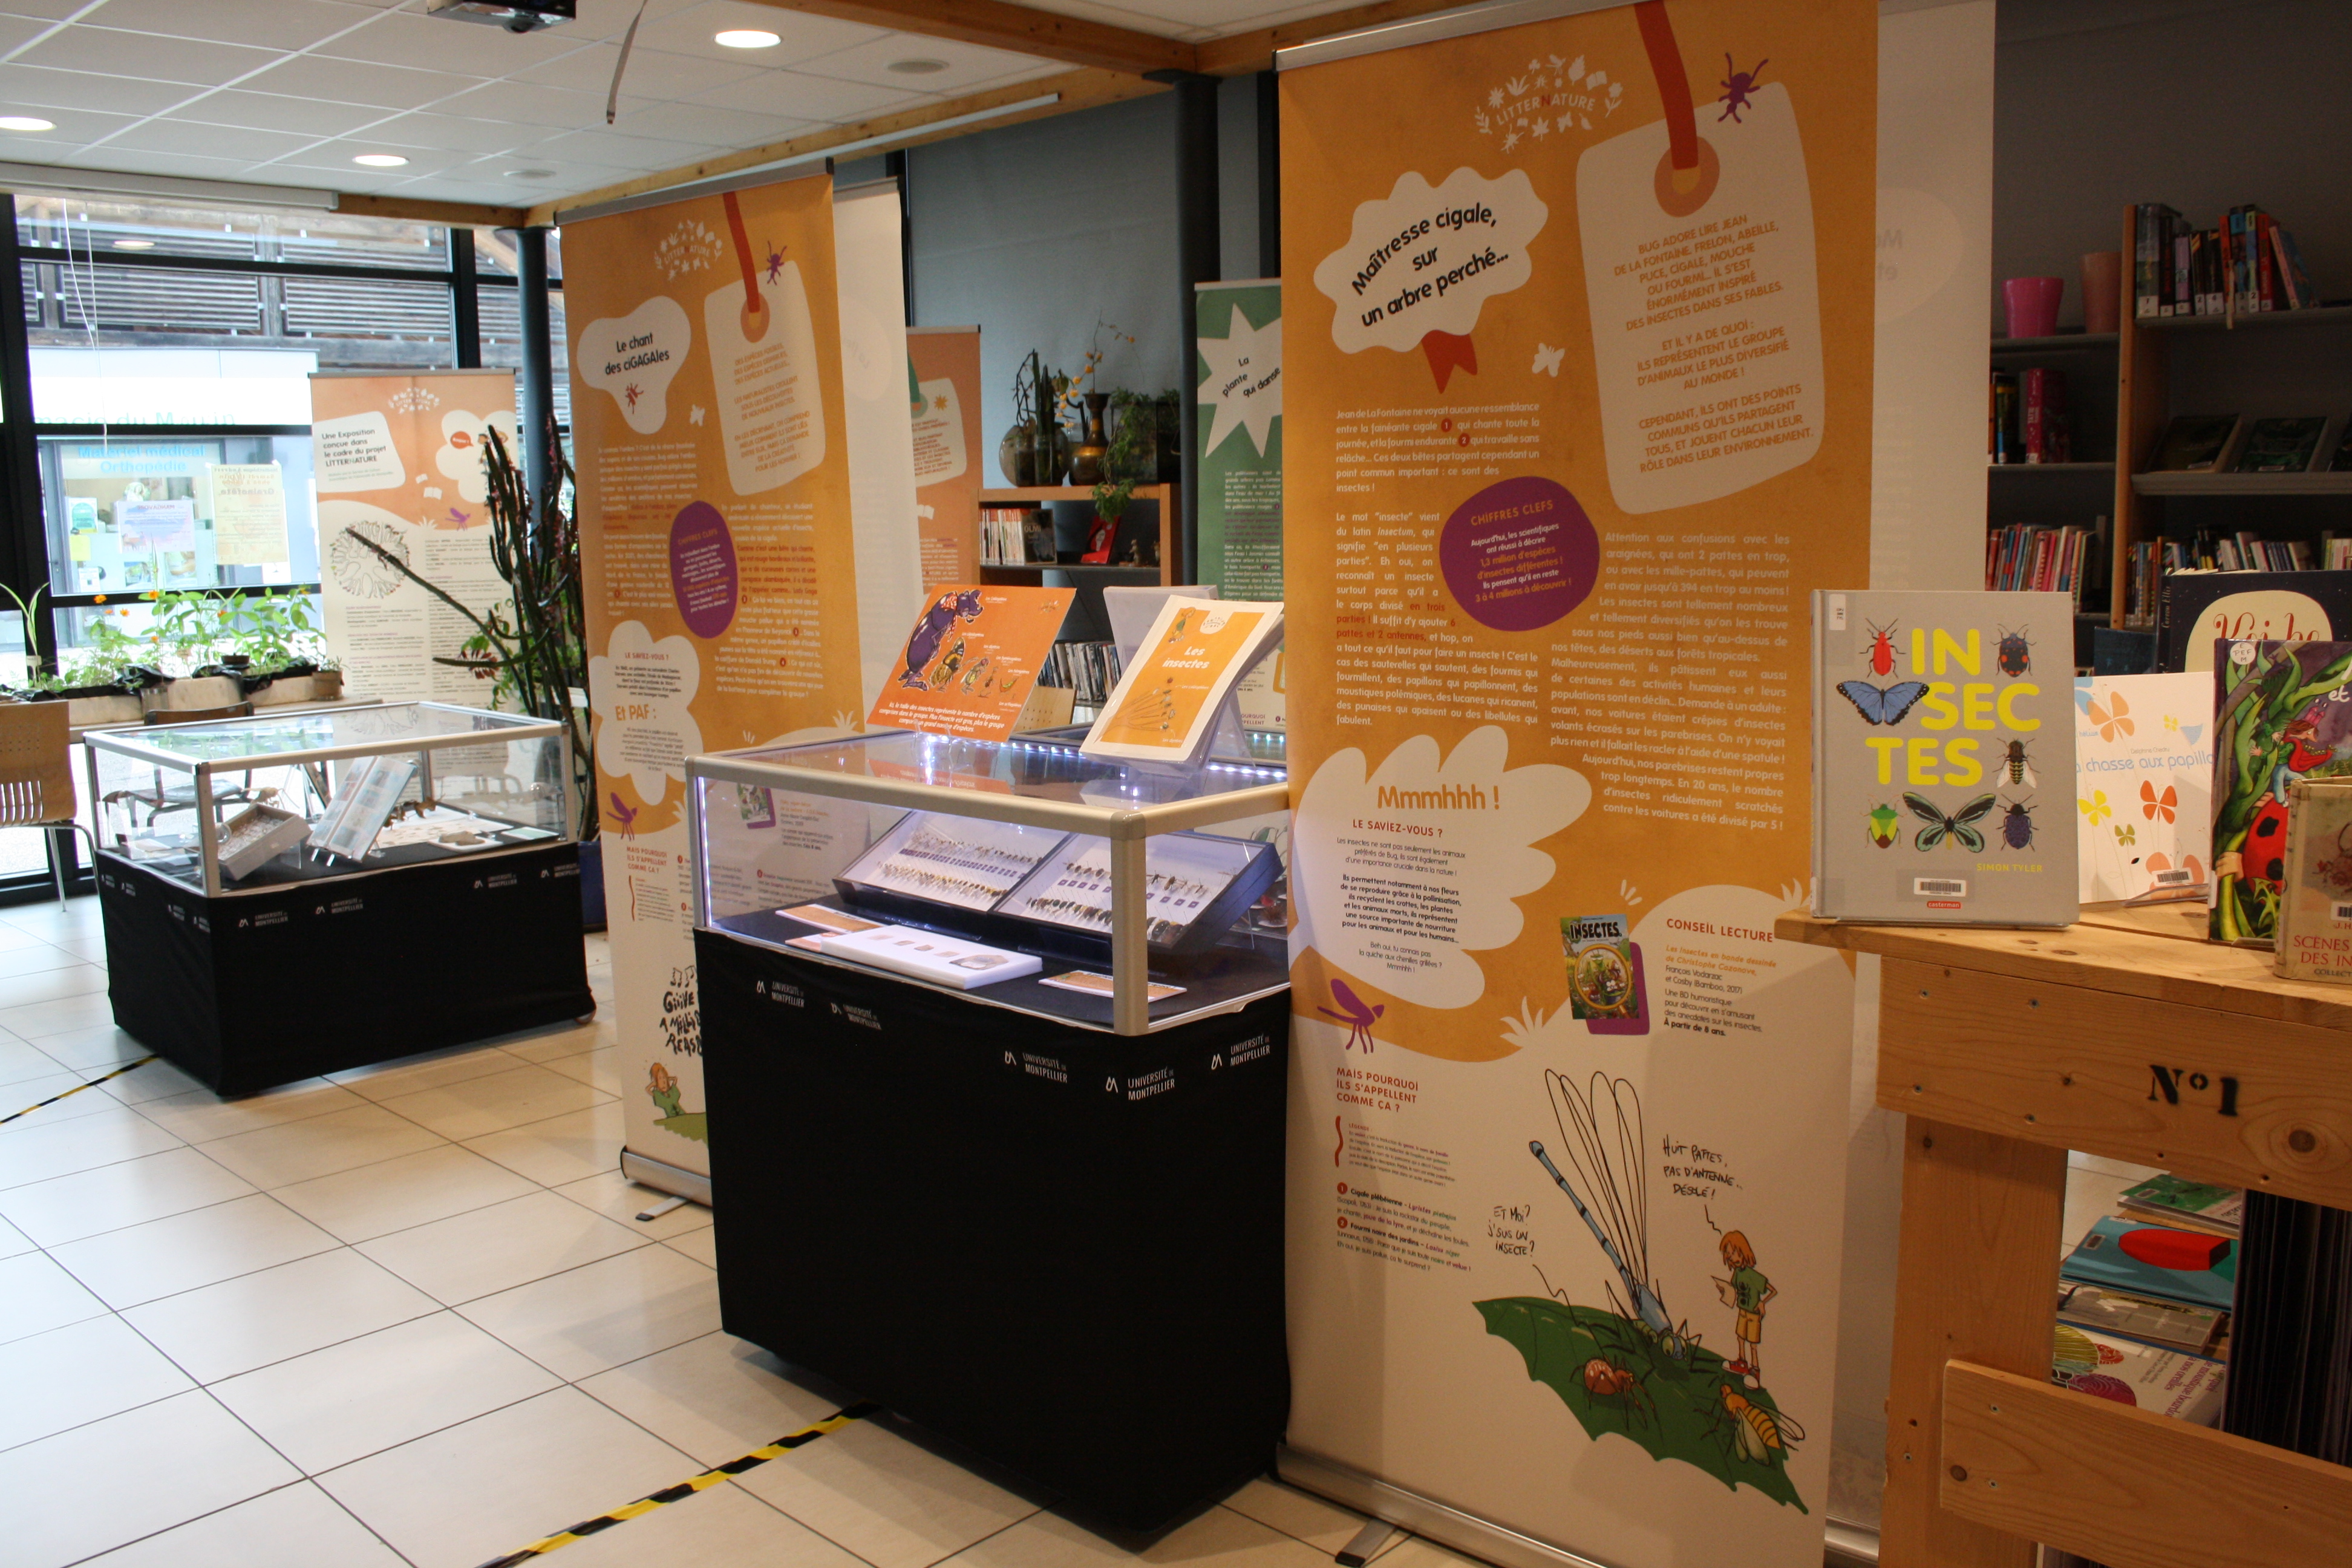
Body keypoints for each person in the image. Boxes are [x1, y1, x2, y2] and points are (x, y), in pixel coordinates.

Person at [1717, 1230, 1777, 1381]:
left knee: (1753, 1343)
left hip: (1753, 1314)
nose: (1732, 1258)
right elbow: (1733, 1288)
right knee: (1740, 1337)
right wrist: (1724, 1290)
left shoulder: (1753, 1275)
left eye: (1734, 1253)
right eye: (1729, 1255)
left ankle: (1755, 1370)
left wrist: (1762, 1303)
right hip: (1742, 1311)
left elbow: (1773, 1291)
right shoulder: (1738, 1273)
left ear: (1743, 1251)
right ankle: (1742, 1362)